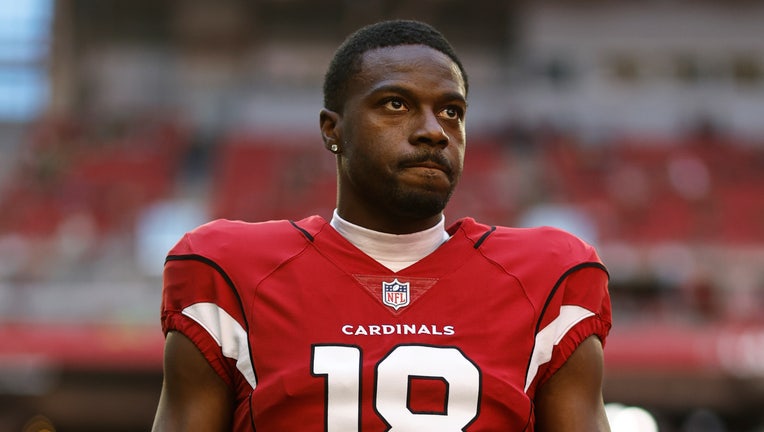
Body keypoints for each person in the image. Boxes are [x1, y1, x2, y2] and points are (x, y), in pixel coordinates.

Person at [152, 19, 612, 432]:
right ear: (332, 129)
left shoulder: (549, 274)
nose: (434, 130)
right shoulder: (229, 269)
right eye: (396, 104)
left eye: (452, 111)